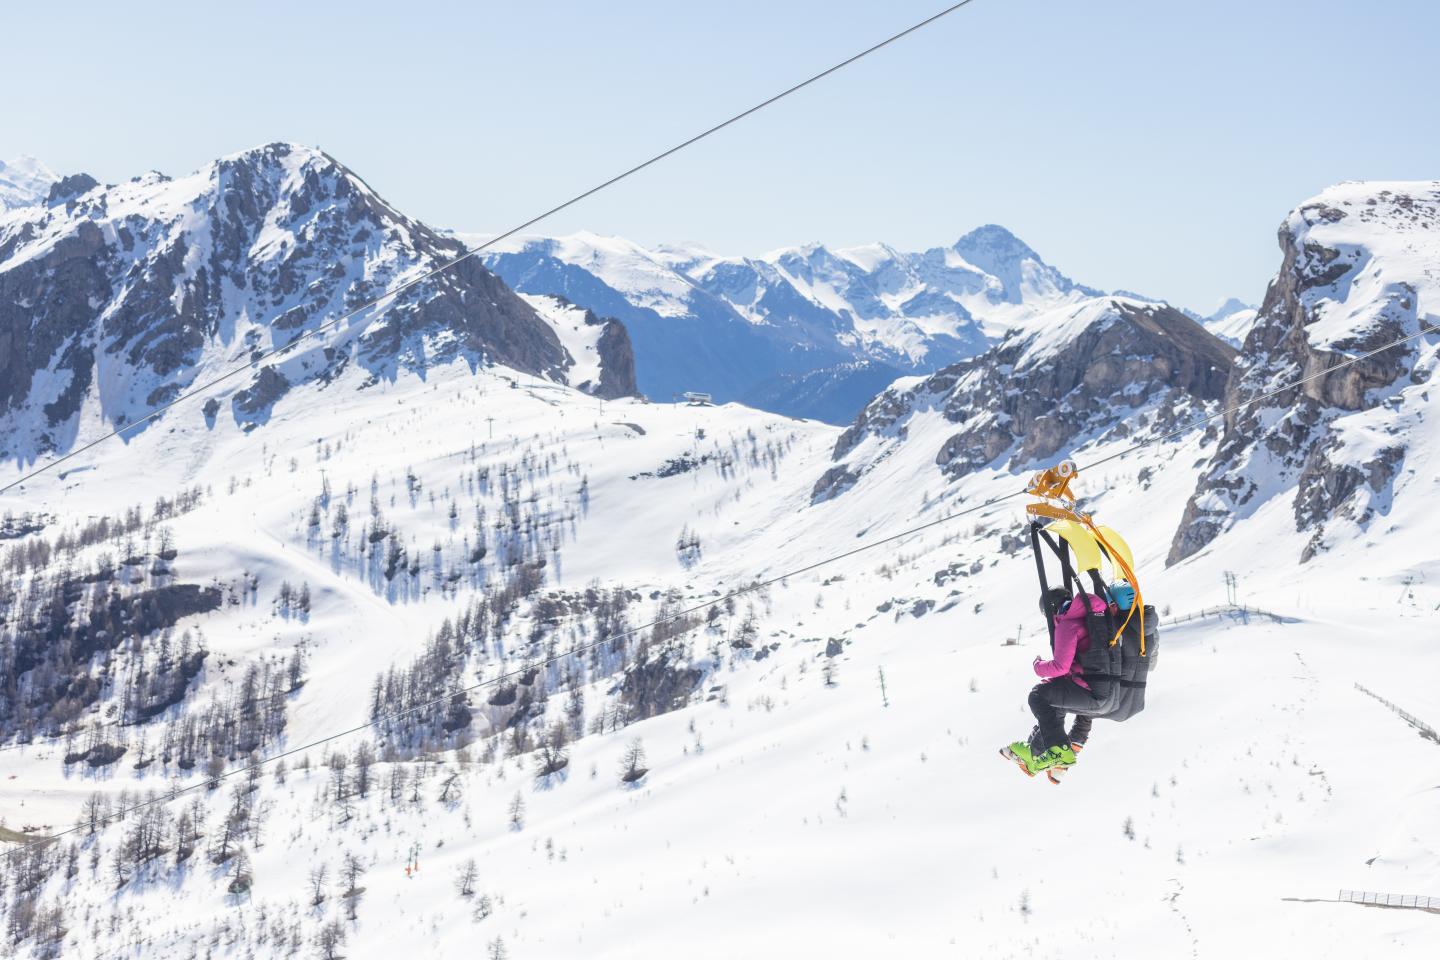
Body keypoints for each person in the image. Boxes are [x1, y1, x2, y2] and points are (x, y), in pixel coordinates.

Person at [1001, 588, 1109, 777]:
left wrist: (1038, 666)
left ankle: (1058, 751)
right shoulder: (1093, 617)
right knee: (1055, 700)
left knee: (1038, 695)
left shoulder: (1068, 624)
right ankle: (1036, 751)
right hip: (1104, 685)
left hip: (1089, 687)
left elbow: (1061, 666)